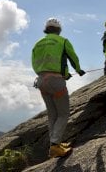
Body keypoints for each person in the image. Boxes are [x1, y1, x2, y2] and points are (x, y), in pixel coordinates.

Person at [31, 18, 85, 158]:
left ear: (46, 29)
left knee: (52, 115)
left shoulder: (37, 43)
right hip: (56, 81)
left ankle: (55, 144)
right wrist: (78, 70)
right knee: (63, 113)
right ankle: (55, 145)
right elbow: (73, 58)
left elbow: (34, 62)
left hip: (41, 81)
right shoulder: (63, 41)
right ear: (58, 30)